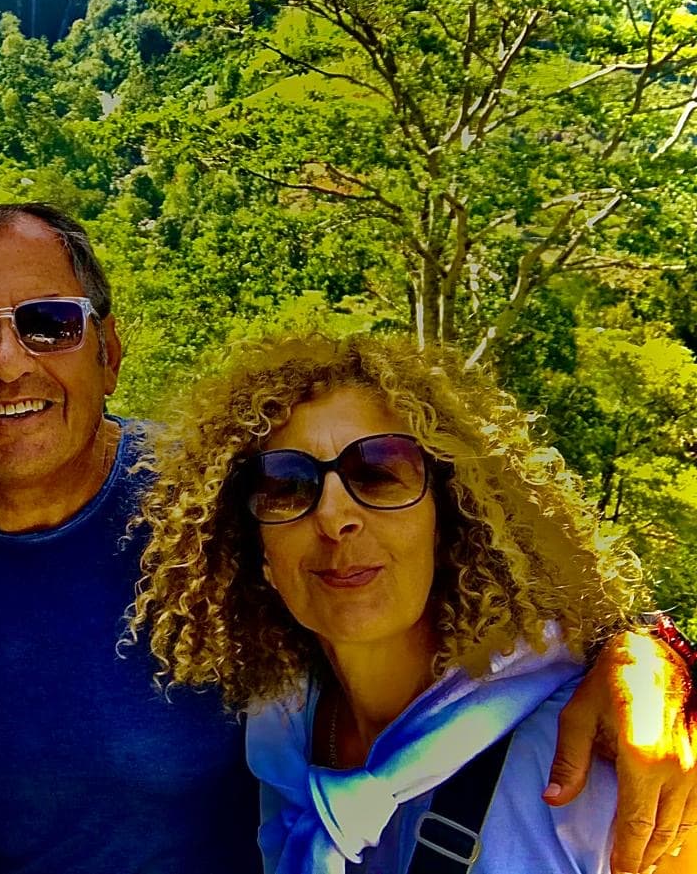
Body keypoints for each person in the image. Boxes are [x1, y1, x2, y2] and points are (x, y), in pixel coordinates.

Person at [0, 204, 697, 874]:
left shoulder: (208, 503)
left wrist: (651, 654)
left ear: (107, 349)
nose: (8, 363)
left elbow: (494, 594)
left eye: (49, 323)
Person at [126, 332, 672, 873]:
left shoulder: (606, 759)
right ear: (258, 555)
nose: (334, 517)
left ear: (448, 519)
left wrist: (659, 651)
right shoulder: (278, 737)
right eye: (288, 485)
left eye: (380, 473)